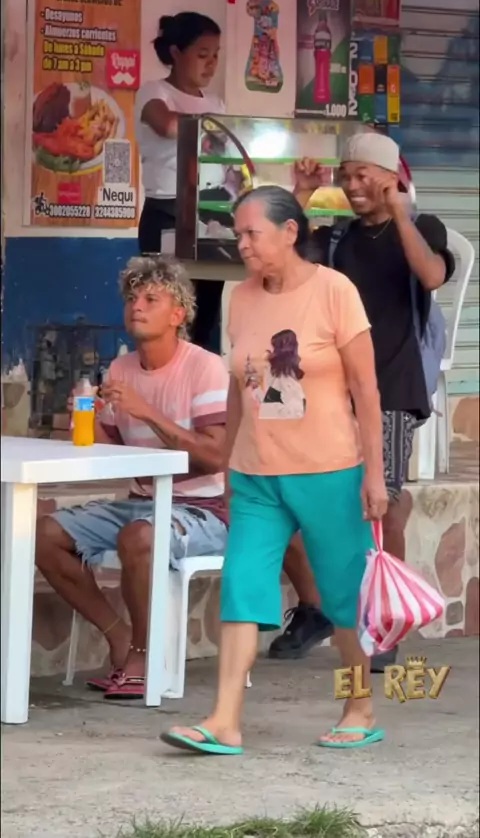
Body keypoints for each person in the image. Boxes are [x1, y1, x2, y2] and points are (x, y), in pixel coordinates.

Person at [161, 185, 388, 755]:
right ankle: (224, 721)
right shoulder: (240, 297)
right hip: (257, 474)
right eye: (237, 233)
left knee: (342, 597)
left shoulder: (335, 292)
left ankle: (359, 706)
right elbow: (239, 388)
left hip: (329, 470)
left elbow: (366, 390)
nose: (242, 244)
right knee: (242, 586)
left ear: (290, 233)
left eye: (251, 233)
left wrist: (374, 475)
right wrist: (228, 466)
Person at [268, 132, 455, 670]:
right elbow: (282, 267)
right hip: (331, 388)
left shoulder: (422, 228)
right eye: (344, 175)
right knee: (300, 497)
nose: (351, 185)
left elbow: (432, 275)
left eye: (362, 176)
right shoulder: (337, 239)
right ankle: (319, 609)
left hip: (392, 385)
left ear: (390, 177)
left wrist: (399, 210)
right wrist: (301, 197)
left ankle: (384, 619)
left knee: (382, 503)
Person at [35, 256, 229, 700]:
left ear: (177, 314)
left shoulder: (205, 368)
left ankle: (143, 656)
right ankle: (120, 637)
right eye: (132, 298)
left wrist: (147, 412)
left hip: (205, 510)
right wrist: (87, 422)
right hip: (142, 502)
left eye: (150, 299)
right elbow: (116, 452)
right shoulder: (121, 370)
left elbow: (216, 456)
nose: (136, 306)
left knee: (139, 537)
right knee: (45, 534)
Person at [135, 11, 229, 351]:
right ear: (176, 53)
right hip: (167, 213)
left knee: (203, 320)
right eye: (202, 54)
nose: (211, 63)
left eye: (215, 54)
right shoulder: (154, 92)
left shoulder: (216, 103)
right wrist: (213, 127)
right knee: (165, 316)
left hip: (212, 214)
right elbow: (169, 126)